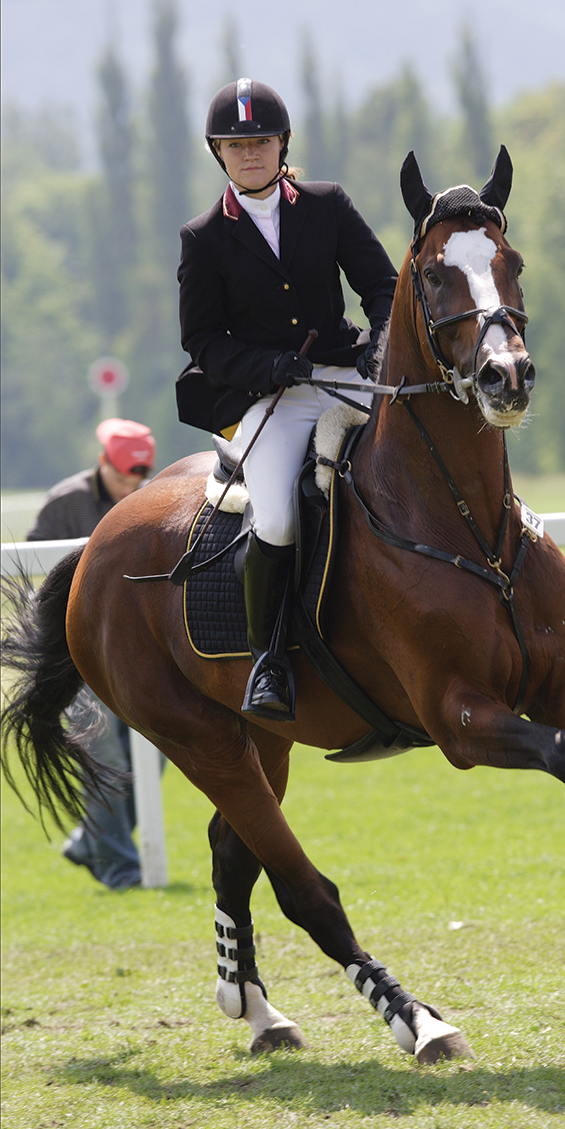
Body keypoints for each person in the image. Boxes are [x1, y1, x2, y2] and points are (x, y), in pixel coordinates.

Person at [176, 77, 397, 721]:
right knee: (274, 518)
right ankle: (268, 658)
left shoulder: (327, 204)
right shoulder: (204, 237)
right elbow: (202, 340)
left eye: (263, 140)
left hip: (346, 373)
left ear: (283, 143)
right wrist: (269, 365)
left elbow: (382, 287)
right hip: (268, 397)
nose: (252, 153)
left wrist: (379, 348)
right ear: (218, 151)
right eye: (237, 143)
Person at [27, 418, 156, 890]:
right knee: (102, 746)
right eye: (123, 476)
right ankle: (121, 869)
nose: (131, 487)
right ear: (103, 463)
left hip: (138, 650)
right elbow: (37, 573)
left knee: (160, 746)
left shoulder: (147, 498)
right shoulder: (66, 502)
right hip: (76, 650)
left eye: (138, 478)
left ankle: (90, 841)